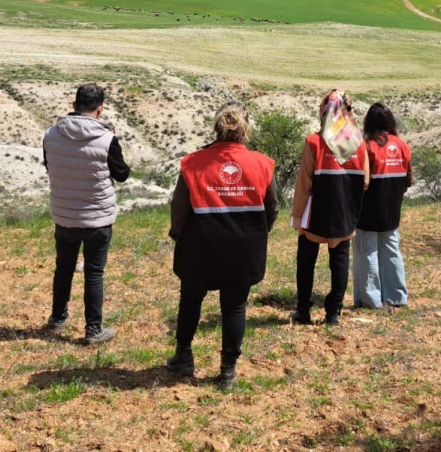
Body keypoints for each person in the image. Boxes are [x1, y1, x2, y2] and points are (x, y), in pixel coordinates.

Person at [167, 102, 279, 389]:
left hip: (200, 245)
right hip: (244, 247)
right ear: (244, 132)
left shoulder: (192, 163)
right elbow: (272, 208)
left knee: (191, 299)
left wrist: (178, 234)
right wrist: (258, 233)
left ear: (217, 129)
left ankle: (184, 356)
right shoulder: (263, 163)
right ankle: (228, 370)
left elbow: (179, 208)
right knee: (234, 307)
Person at [42, 83, 130, 344]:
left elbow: (50, 166)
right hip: (97, 216)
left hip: (65, 214)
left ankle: (57, 318)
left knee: (64, 267)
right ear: (100, 109)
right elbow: (122, 174)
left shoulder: (50, 135)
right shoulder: (106, 139)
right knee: (94, 272)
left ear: (74, 106)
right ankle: (93, 330)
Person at [291, 90, 368, 326]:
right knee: (340, 262)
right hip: (345, 212)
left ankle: (303, 310)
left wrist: (296, 214)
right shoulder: (358, 144)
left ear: (325, 111)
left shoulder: (313, 142)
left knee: (306, 261)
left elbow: (304, 183)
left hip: (315, 214)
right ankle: (333, 313)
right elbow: (365, 181)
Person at [353, 103, 413, 310]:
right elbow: (409, 179)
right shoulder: (402, 145)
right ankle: (396, 296)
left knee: (366, 252)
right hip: (392, 208)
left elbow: (361, 180)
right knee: (392, 250)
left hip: (367, 210)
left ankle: (369, 299)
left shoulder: (366, 145)